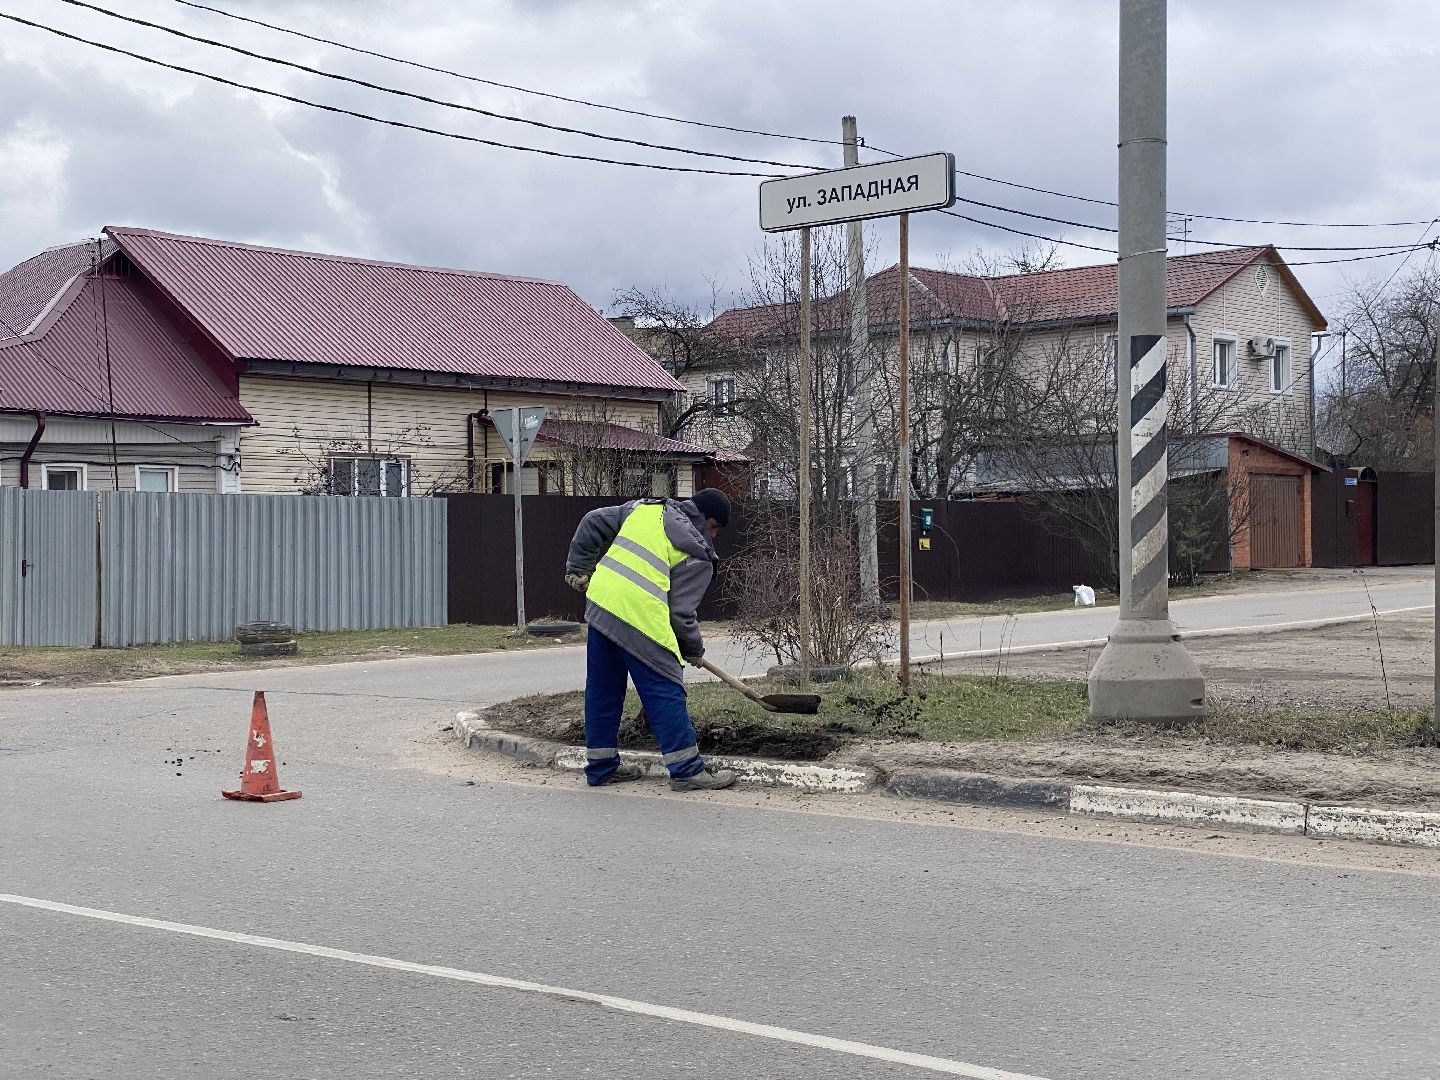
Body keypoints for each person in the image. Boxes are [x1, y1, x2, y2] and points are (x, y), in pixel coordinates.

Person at [564, 488, 737, 792]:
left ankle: (601, 767)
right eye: (716, 529)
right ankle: (686, 770)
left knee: (603, 690)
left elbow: (592, 521)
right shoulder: (698, 553)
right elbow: (680, 614)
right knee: (665, 688)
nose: (714, 536)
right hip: (640, 615)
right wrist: (692, 649)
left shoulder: (644, 508)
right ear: (710, 522)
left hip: (602, 603)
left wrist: (578, 568)